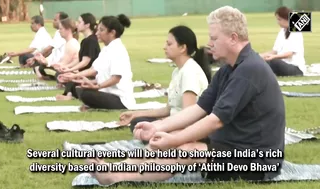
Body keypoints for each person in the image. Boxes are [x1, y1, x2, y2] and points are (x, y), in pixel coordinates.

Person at [86, 6, 285, 185]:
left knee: (187, 148)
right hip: (231, 144)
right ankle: (118, 169)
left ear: (233, 38)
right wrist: (156, 127)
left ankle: (116, 178)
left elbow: (215, 121)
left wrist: (173, 140)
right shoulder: (228, 70)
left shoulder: (249, 70)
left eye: (214, 38)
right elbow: (199, 109)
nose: (209, 43)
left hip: (257, 160)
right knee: (170, 139)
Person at [118, 25, 212, 134]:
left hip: (185, 129)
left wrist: (162, 125)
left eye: (169, 44)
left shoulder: (189, 72)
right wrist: (135, 113)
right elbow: (168, 110)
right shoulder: (178, 71)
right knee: (138, 122)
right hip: (174, 123)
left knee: (142, 128)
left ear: (182, 48)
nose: (164, 47)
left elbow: (188, 116)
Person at [58, 14, 135, 110]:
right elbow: (94, 70)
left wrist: (96, 86)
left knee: (86, 94)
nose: (97, 33)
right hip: (106, 92)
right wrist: (74, 77)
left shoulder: (118, 50)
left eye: (101, 30)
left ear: (112, 33)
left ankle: (94, 105)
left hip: (120, 99)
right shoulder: (107, 49)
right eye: (98, 29)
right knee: (79, 89)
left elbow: (116, 78)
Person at [55, 13, 101, 101]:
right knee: (69, 77)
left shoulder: (91, 40)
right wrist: (67, 68)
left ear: (87, 25)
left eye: (79, 22)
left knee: (73, 80)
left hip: (90, 75)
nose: (77, 24)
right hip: (84, 73)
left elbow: (85, 61)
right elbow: (80, 59)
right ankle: (70, 94)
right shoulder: (85, 40)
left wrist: (69, 70)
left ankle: (69, 95)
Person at [260, 6, 306, 76]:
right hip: (282, 64)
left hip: (295, 68)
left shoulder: (296, 32)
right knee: (261, 61)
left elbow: (289, 54)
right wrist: (259, 56)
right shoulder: (282, 31)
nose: (278, 22)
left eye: (279, 19)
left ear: (287, 19)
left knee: (272, 62)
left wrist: (273, 57)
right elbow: (274, 51)